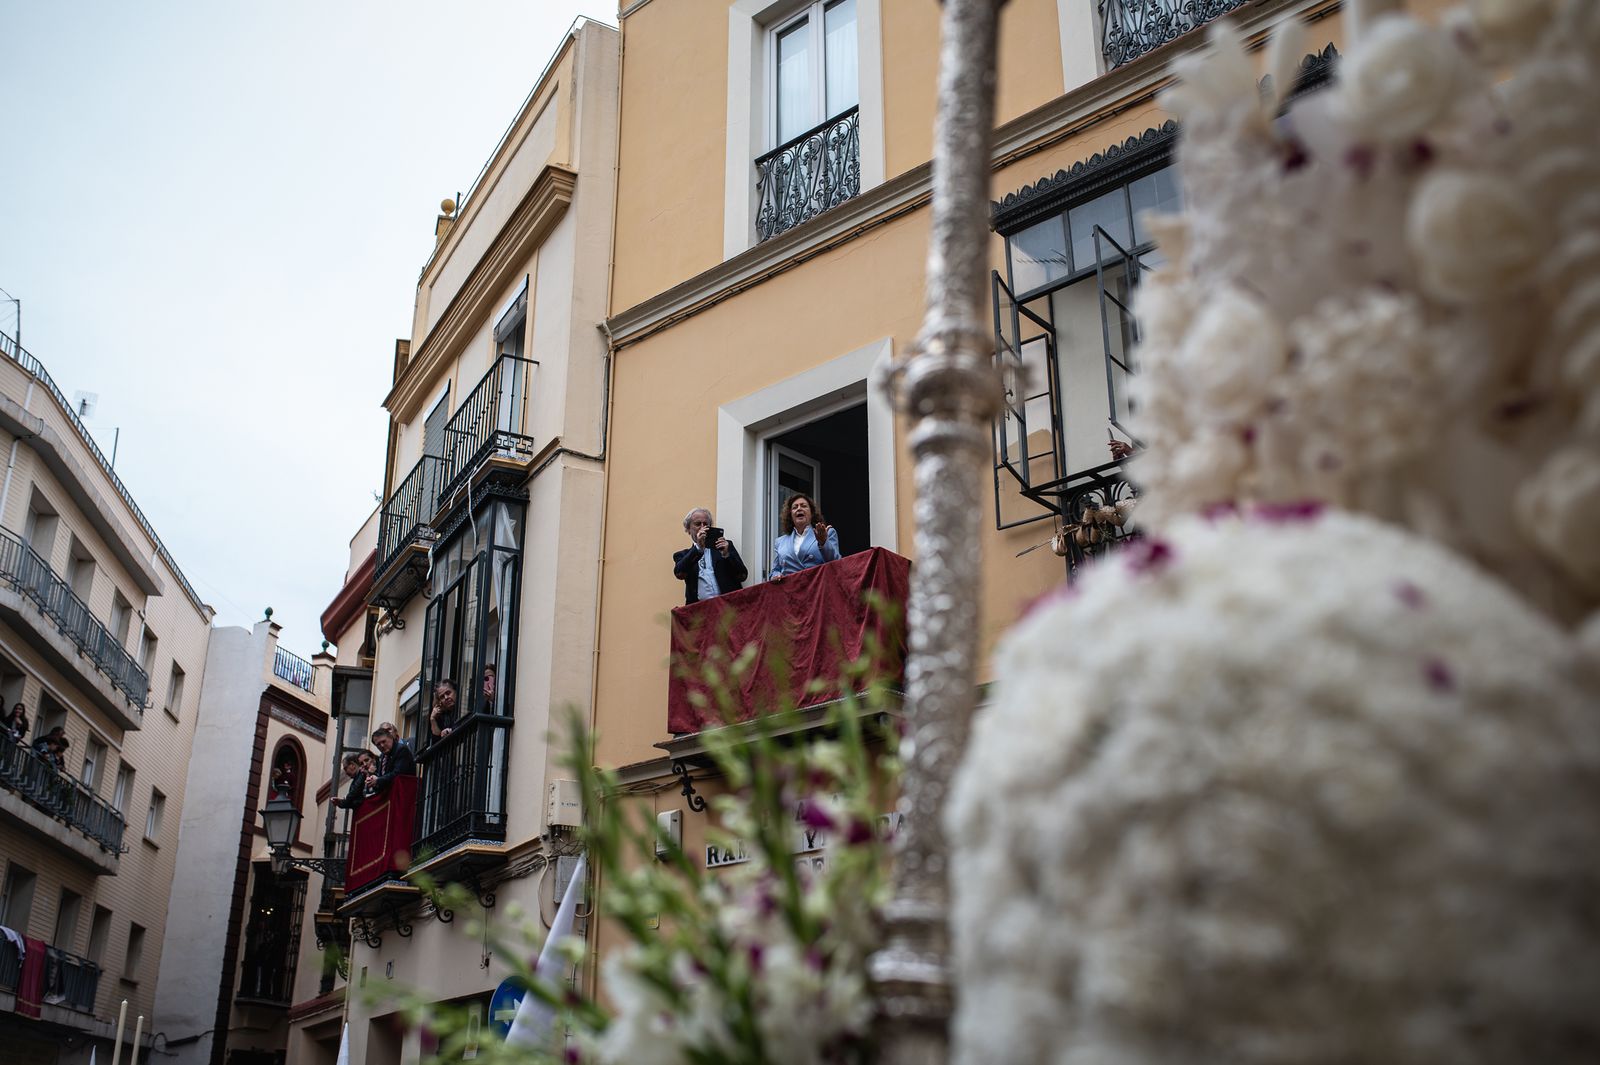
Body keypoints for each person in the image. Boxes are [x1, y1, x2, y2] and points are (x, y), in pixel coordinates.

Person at [673, 507, 748, 604]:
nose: (702, 527)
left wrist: (727, 555)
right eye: (697, 524)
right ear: (688, 529)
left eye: (706, 524)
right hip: (700, 613)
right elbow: (679, 573)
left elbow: (742, 576)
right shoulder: (682, 555)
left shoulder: (724, 546)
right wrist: (699, 548)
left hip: (728, 609)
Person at [770, 493, 841, 577]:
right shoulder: (780, 542)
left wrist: (823, 543)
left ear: (812, 513)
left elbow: (836, 564)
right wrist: (776, 575)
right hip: (789, 589)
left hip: (816, 587)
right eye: (795, 507)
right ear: (790, 515)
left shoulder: (827, 533)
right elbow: (775, 570)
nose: (799, 508)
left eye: (803, 506)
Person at [366, 723, 415, 795]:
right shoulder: (382, 756)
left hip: (404, 793)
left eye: (383, 741)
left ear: (391, 738)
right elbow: (383, 777)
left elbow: (397, 773)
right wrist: (373, 779)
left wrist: (378, 780)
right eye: (378, 744)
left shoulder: (401, 749)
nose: (382, 745)